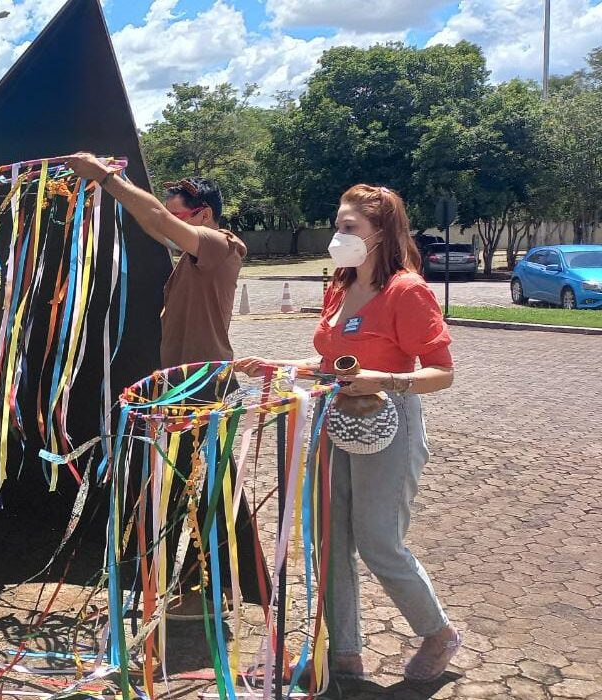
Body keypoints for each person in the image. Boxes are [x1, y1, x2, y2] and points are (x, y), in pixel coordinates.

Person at [238, 184, 461, 683]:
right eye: (338, 225)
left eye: (349, 228)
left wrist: (384, 379)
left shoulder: (407, 291)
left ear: (381, 233)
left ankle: (438, 634)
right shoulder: (339, 288)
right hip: (332, 421)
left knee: (379, 541)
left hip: (388, 424)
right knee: (330, 540)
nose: (338, 236)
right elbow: (330, 365)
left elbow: (442, 372)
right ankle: (343, 656)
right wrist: (275, 366)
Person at [64, 153, 268, 617]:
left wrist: (105, 175)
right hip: (184, 385)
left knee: (200, 489)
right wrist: (116, 192)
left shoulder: (218, 244)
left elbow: (154, 215)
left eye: (182, 214)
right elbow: (150, 217)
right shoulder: (197, 252)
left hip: (201, 386)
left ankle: (212, 590)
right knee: (195, 487)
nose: (173, 221)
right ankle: (210, 586)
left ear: (205, 213)